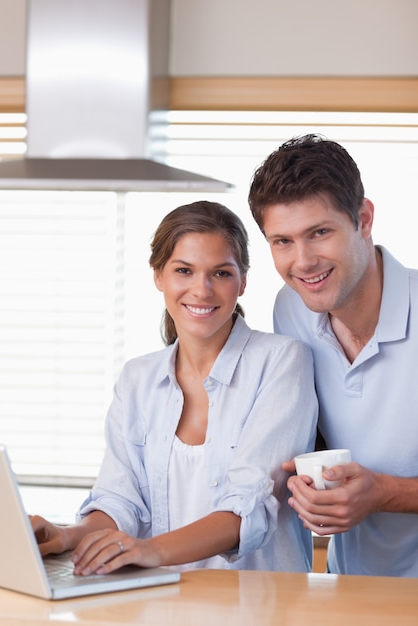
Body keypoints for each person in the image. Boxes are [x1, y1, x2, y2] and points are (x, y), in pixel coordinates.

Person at [31, 200, 318, 574]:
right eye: (184, 270)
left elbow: (248, 507)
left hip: (258, 606)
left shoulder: (281, 360)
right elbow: (121, 502)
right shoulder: (138, 379)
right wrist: (69, 536)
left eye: (221, 273)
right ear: (158, 277)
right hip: (159, 604)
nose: (202, 290)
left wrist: (148, 550)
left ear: (242, 281)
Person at [248, 133, 418, 577]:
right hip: (355, 588)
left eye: (319, 232)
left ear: (363, 219)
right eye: (282, 241)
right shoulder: (293, 310)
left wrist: (384, 492)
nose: (302, 262)